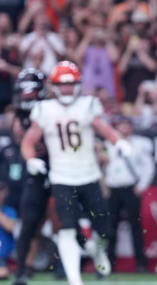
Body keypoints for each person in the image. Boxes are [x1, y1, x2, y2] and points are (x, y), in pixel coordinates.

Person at [20, 61, 135, 285]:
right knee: (67, 228)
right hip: (61, 177)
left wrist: (118, 141)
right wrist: (30, 159)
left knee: (104, 231)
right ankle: (75, 280)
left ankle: (98, 252)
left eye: (70, 85)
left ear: (78, 85)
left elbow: (102, 127)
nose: (66, 90)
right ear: (53, 86)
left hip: (89, 175)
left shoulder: (87, 105)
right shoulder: (45, 109)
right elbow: (28, 141)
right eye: (62, 85)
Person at [10, 69, 49, 285]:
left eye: (30, 91)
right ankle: (22, 270)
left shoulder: (52, 108)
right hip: (35, 168)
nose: (26, 96)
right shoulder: (19, 116)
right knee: (29, 220)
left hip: (60, 167)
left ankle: (67, 266)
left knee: (66, 218)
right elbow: (22, 139)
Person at [103, 116, 154, 272]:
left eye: (127, 125)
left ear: (131, 127)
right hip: (113, 188)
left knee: (135, 226)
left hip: (131, 188)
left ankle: (141, 263)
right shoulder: (109, 143)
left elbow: (148, 166)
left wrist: (142, 185)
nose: (124, 128)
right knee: (110, 226)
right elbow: (105, 165)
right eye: (121, 125)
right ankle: (108, 263)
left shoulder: (139, 144)